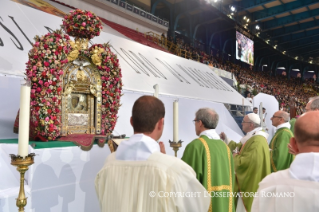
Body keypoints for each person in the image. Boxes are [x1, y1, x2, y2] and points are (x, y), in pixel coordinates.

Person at [95, 96, 210, 212]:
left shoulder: (108, 165)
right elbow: (198, 206)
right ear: (161, 123)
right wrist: (165, 160)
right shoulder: (174, 170)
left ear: (131, 121)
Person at [252, 111, 319, 212]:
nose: (270, 118)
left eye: (273, 116)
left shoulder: (269, 184)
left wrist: (265, 153)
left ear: (293, 144)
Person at [182, 108, 235, 212]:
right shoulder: (225, 148)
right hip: (225, 206)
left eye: (195, 121)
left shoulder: (196, 146)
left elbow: (184, 179)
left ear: (200, 123)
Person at [220, 113, 270, 212]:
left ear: (251, 125)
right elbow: (239, 147)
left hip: (251, 181)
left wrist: (235, 157)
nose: (242, 123)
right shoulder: (253, 137)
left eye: (244, 122)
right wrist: (226, 139)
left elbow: (248, 162)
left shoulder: (257, 141)